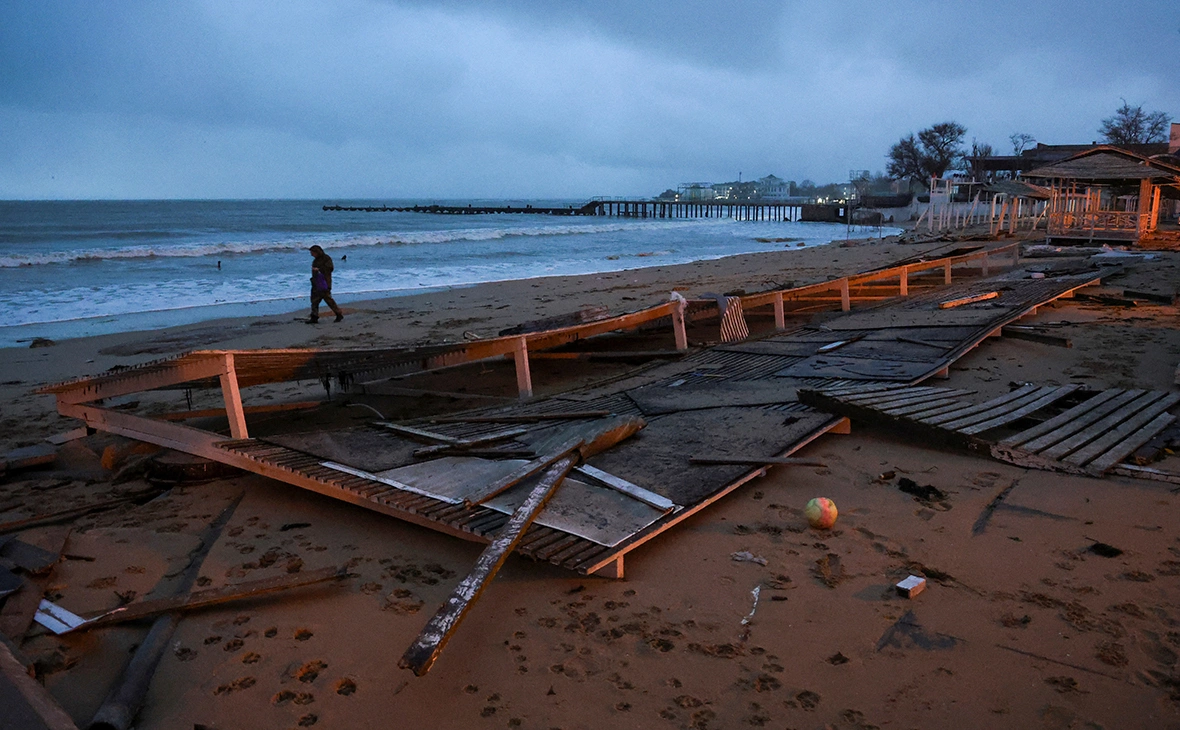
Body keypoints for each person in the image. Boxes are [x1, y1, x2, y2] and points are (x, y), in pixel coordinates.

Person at [307, 245, 344, 323]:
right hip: (316, 283)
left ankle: (339, 314)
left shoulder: (326, 258)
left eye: (312, 252)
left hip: (324, 283)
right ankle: (314, 317)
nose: (311, 254)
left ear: (317, 252)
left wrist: (319, 269)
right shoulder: (315, 260)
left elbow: (330, 268)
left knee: (328, 300)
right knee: (314, 301)